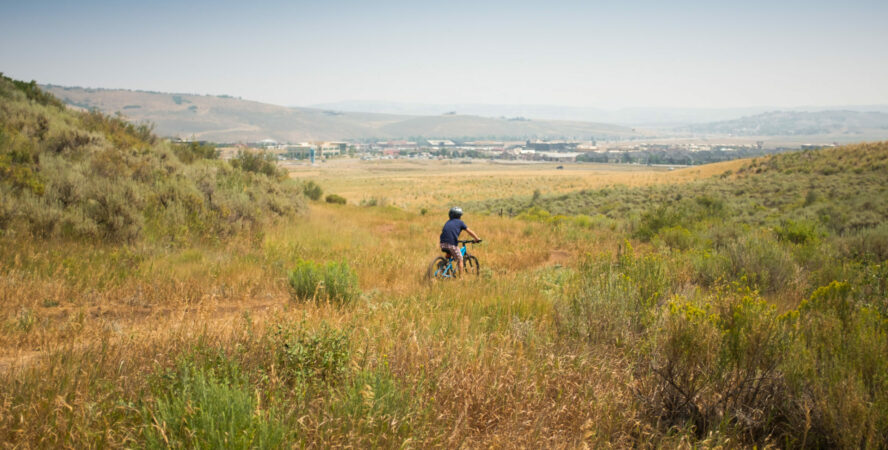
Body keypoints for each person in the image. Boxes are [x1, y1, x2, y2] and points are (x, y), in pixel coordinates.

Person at [439, 206, 480, 276]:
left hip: (442, 243)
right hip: (451, 244)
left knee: (449, 253)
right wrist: (477, 238)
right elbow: (469, 231)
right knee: (460, 259)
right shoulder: (460, 222)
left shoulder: (448, 222)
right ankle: (461, 278)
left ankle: (443, 265)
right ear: (459, 215)